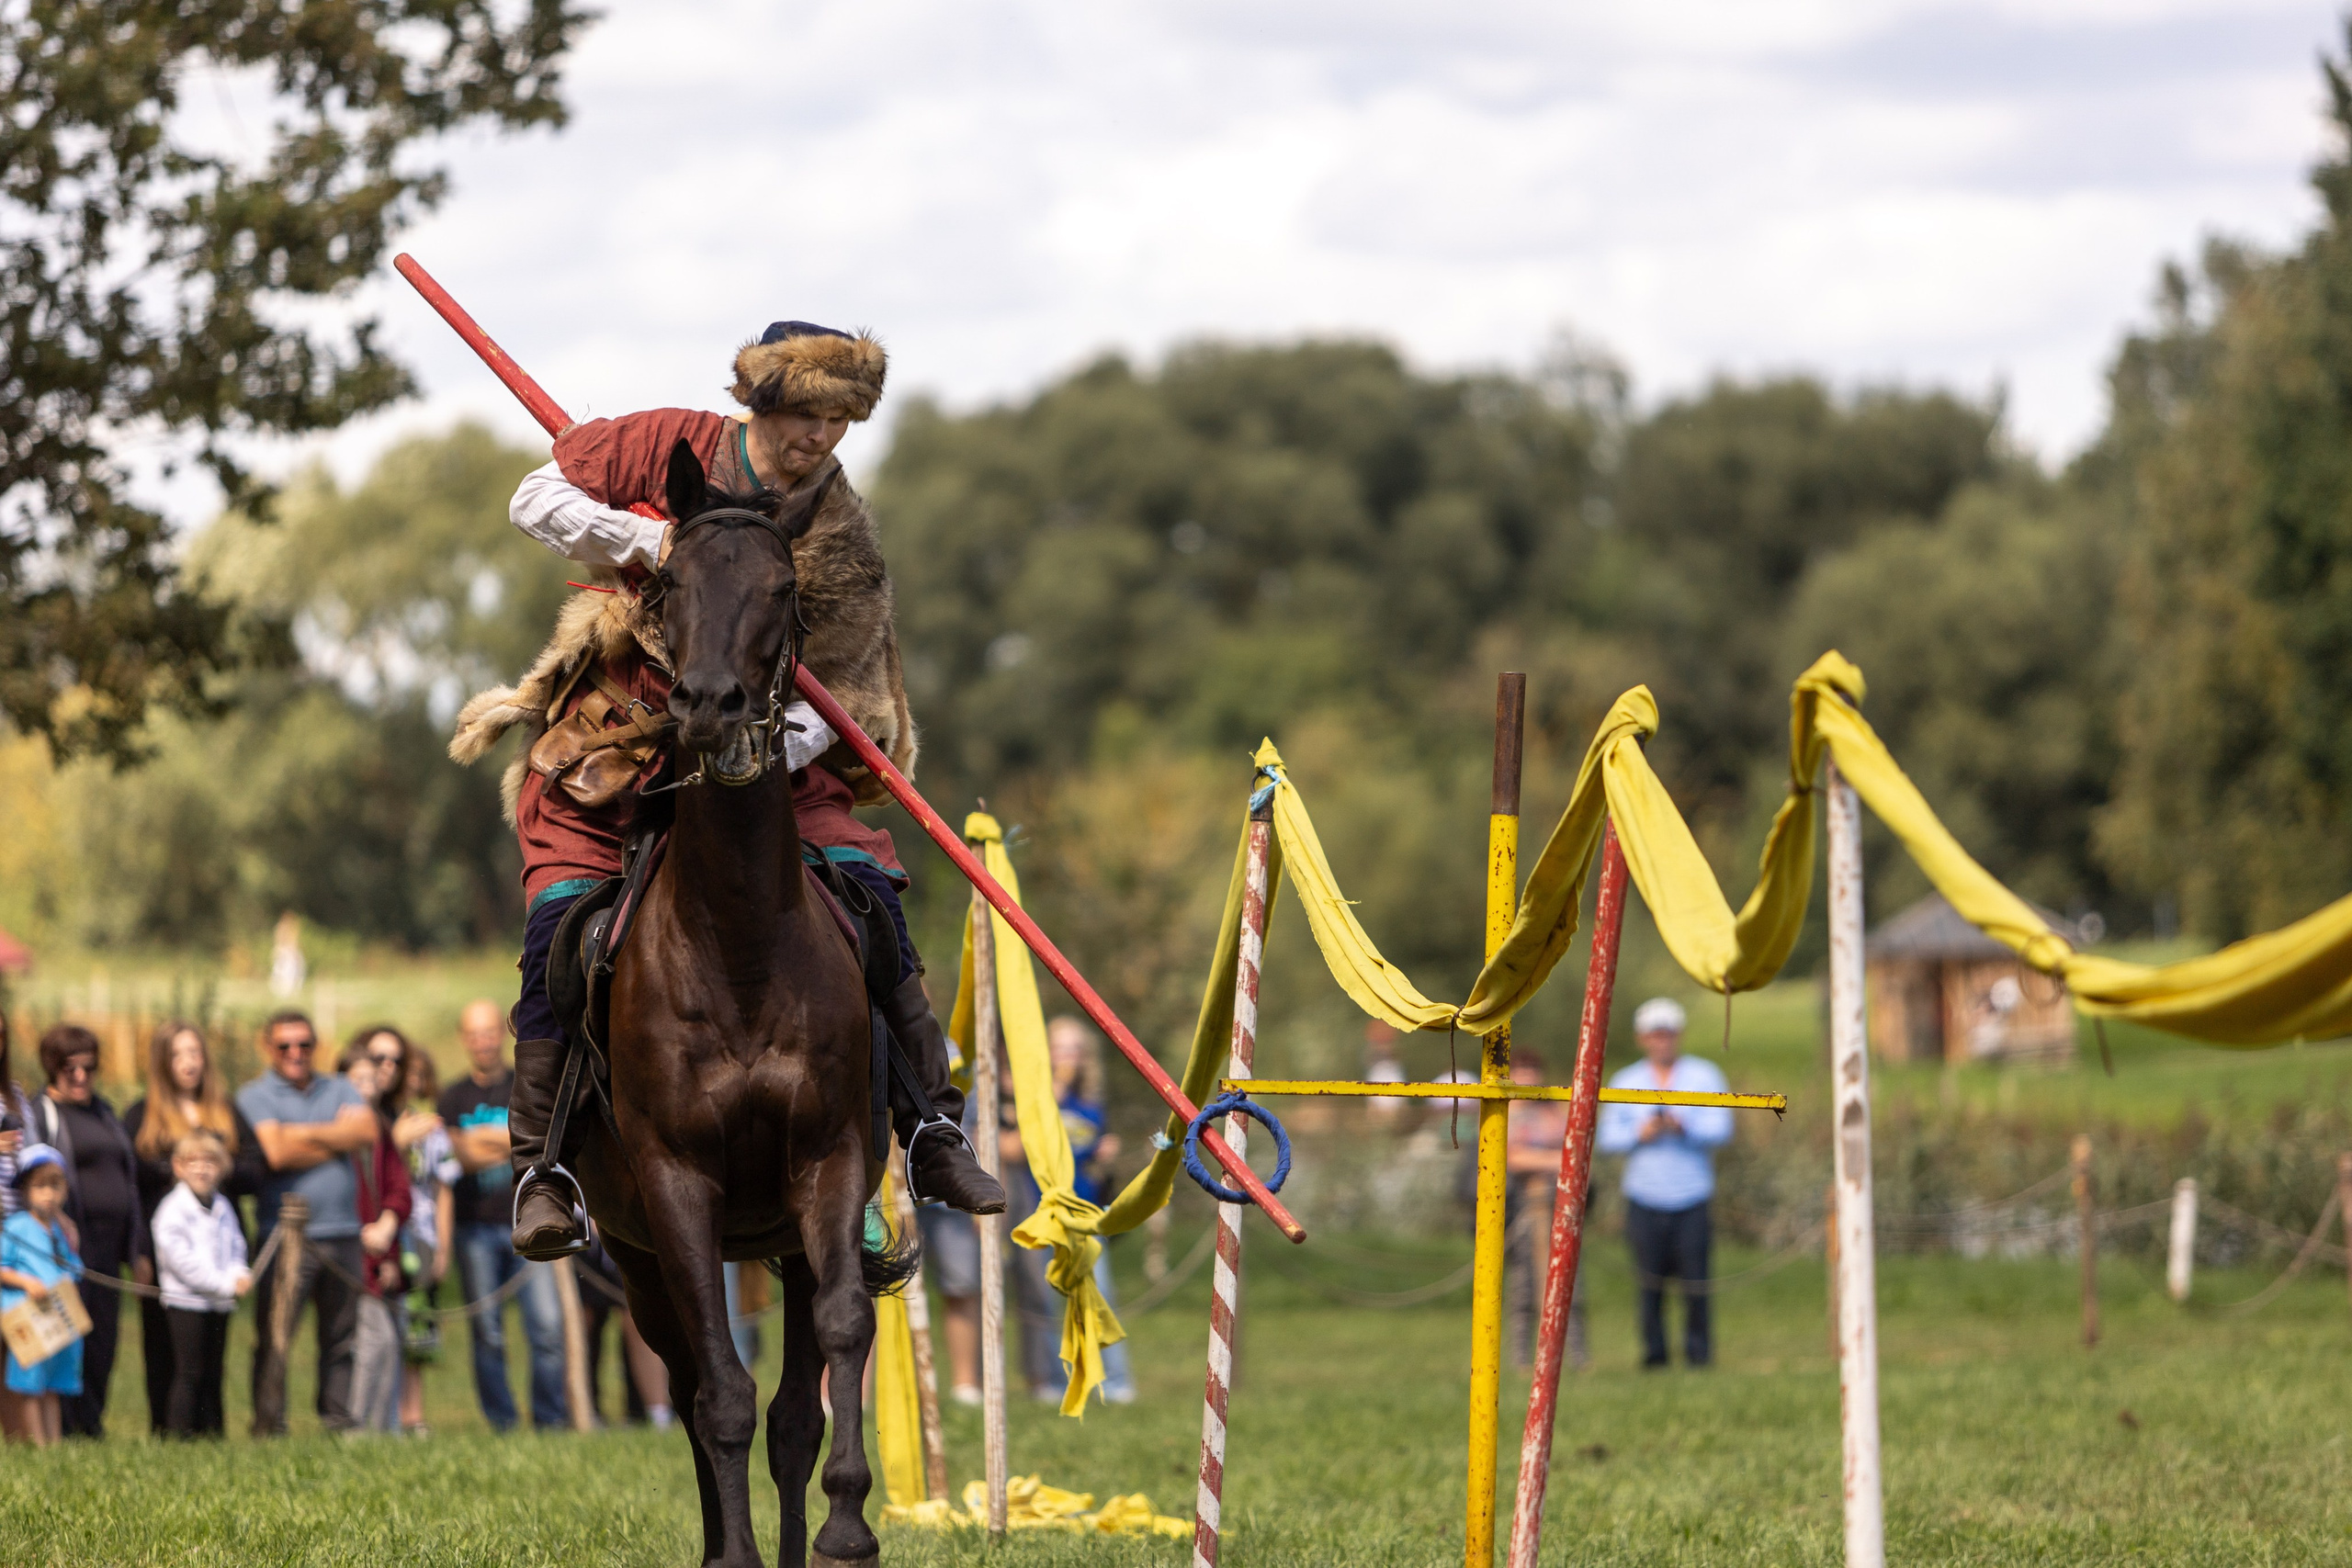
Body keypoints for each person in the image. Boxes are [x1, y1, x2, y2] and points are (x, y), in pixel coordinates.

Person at [451, 320, 1001, 1260]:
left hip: (766, 765)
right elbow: (535, 498)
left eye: (839, 420)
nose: (819, 439)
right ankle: (541, 1163)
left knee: (866, 899)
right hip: (614, 748)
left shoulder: (842, 534)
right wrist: (648, 538)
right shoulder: (665, 443)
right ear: (762, 403)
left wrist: (748, 753)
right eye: (805, 415)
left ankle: (930, 1129)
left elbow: (844, 691)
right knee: (562, 922)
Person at [236, 1009, 379, 1434]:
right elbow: (274, 1153)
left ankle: (337, 1421)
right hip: (285, 1237)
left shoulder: (339, 1086)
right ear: (269, 1048)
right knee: (277, 1334)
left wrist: (297, 1133)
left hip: (344, 1232)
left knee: (341, 1336)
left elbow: (367, 1131)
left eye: (304, 1044)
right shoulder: (254, 1094)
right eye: (285, 1045)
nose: (295, 1053)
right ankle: (269, 1420)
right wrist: (336, 1138)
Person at [124, 1021, 266, 1435]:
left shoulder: (225, 1108)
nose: (188, 1063)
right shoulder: (141, 1113)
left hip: (218, 1242)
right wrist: (137, 1251)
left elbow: (255, 1169)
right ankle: (167, 1430)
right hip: (164, 1247)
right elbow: (130, 1178)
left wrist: (214, 1173)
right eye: (177, 1054)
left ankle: (210, 1431)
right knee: (165, 1347)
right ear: (163, 1062)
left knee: (210, 1354)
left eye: (194, 1053)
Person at [437, 999, 566, 1431]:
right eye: (475, 1034)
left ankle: (550, 1420)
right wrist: (508, 1138)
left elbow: (544, 1144)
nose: (484, 1042)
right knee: (487, 1334)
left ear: (503, 1034)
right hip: (474, 1230)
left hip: (529, 1224)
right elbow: (459, 1155)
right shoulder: (451, 1096)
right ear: (464, 1039)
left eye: (490, 1031)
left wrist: (482, 1141)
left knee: (547, 1329)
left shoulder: (525, 1087)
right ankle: (503, 1423)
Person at [1594, 998, 1733, 1369]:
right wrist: (1643, 1132)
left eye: (1668, 1034)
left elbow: (1722, 1128)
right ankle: (1654, 1357)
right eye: (1655, 1035)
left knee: (1696, 1285)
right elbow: (1607, 1138)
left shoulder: (1705, 1076)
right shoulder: (1625, 1080)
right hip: (1644, 1196)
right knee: (1648, 1286)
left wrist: (1683, 1127)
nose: (1662, 1042)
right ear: (1643, 1039)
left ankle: (1699, 1357)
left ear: (1678, 1036)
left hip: (1692, 1195)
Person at [26, 1023, 142, 1436]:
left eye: (88, 1067)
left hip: (110, 1246)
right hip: (67, 1246)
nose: (80, 1077)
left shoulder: (105, 1111)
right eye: (68, 1068)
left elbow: (126, 1176)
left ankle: (91, 1423)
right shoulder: (42, 1113)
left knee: (103, 1340)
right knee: (67, 1336)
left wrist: (136, 1247)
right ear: (51, 1069)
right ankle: (66, 1428)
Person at [148, 1128, 252, 1437]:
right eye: (193, 1161)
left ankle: (213, 1434)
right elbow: (182, 1262)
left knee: (214, 1372)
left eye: (210, 1162)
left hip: (219, 1303)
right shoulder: (171, 1210)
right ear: (179, 1167)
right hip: (187, 1303)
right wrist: (224, 1284)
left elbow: (236, 1246)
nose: (202, 1169)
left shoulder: (223, 1206)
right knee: (189, 1371)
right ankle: (180, 1436)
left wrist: (239, 1274)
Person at [338, 1029, 415, 1434]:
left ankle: (384, 1433)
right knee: (372, 1342)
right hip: (351, 1258)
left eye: (372, 1081)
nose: (367, 1088)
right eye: (358, 1080)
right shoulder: (337, 1131)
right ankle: (355, 1430)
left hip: (381, 1253)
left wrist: (386, 1242)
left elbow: (399, 1190)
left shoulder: (381, 1129)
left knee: (388, 1342)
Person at [1501, 1048, 1585, 1371]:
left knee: (1570, 1285)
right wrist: (1553, 1160)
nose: (1528, 1074)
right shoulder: (1503, 1110)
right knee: (1523, 1288)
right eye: (1521, 1067)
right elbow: (1510, 1157)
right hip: (1520, 1209)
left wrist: (1544, 1159)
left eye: (1532, 1067)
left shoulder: (1554, 1109)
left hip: (1561, 1206)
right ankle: (1523, 1361)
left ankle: (1576, 1359)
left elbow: (1577, 1150)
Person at [1, 1146, 82, 1447]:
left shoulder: (61, 1230)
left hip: (59, 1317)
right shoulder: (15, 1227)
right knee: (30, 1385)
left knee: (53, 1386)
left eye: (55, 1185)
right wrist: (25, 1282)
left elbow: (74, 1268)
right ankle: (35, 1444)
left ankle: (54, 1446)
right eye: (39, 1186)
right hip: (28, 1315)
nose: (48, 1194)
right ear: (25, 1189)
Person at [395, 1048, 457, 1438]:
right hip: (388, 1233)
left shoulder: (433, 1128)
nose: (413, 1080)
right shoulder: (381, 1122)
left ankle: (413, 1414)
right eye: (407, 1072)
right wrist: (398, 1140)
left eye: (420, 1072)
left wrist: (444, 1247)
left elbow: (444, 1188)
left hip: (423, 1235)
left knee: (417, 1330)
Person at [0, 1012, 31, 1439]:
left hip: (20, 1231)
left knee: (17, 1343)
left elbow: (36, 1156)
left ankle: (17, 1438)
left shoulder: (16, 1096)